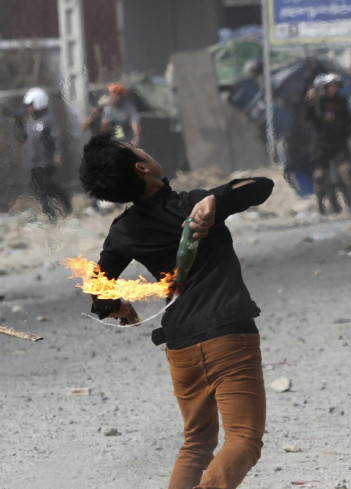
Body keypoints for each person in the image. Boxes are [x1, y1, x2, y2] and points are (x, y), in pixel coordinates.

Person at [78, 133, 273, 489]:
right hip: (227, 333)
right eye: (138, 149)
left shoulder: (123, 230)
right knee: (244, 440)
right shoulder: (193, 205)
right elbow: (261, 186)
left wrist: (115, 306)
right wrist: (215, 200)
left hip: (180, 344)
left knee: (196, 445)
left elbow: (96, 284)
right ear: (142, 166)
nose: (144, 148)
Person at [17, 87, 72, 220]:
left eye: (31, 105)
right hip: (33, 162)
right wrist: (18, 124)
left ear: (38, 103)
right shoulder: (29, 120)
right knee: (39, 190)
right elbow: (23, 138)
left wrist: (58, 154)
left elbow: (57, 137)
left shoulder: (49, 119)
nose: (29, 108)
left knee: (45, 188)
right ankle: (53, 211)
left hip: (47, 161)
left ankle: (61, 208)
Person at [305, 73, 351, 214]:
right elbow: (307, 118)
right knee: (320, 177)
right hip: (321, 144)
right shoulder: (317, 103)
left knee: (347, 172)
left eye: (335, 86)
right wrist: (309, 102)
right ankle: (322, 206)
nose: (333, 88)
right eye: (331, 86)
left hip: (338, 143)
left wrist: (345, 132)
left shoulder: (342, 102)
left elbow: (349, 120)